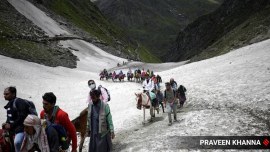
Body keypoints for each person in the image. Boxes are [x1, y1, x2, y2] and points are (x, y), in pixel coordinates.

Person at [2, 86, 32, 152]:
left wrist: (11, 125)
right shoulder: (10, 104)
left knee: (17, 142)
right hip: (13, 131)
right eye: (4, 94)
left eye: (7, 94)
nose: (4, 96)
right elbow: (11, 118)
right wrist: (6, 123)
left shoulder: (19, 102)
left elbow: (23, 116)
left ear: (13, 94)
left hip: (22, 130)